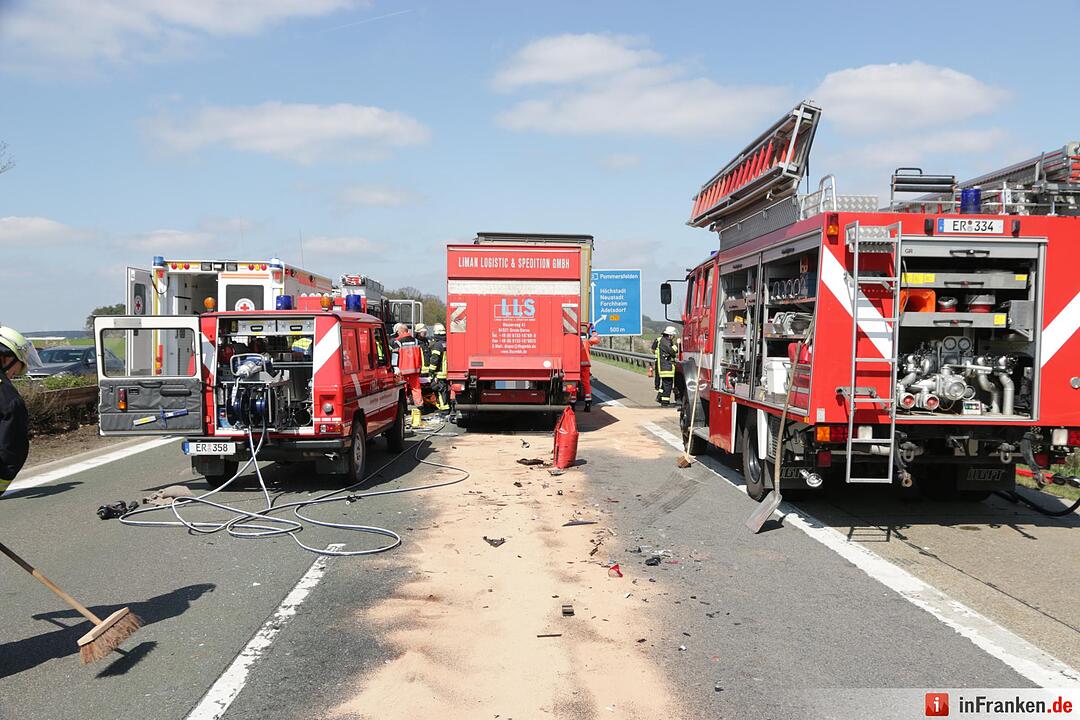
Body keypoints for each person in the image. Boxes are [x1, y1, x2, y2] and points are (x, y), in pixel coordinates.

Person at [0, 327, 38, 493]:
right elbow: (12, 445)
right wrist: (5, 474)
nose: (13, 376)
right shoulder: (8, 396)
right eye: (17, 369)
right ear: (7, 358)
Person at [390, 323, 424, 407]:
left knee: (402, 389)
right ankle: (419, 405)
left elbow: (395, 355)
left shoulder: (397, 342)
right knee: (416, 388)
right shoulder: (416, 341)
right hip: (415, 369)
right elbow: (420, 355)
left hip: (402, 369)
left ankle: (404, 407)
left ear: (399, 331)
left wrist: (395, 367)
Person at [428, 323, 450, 416]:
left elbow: (434, 360)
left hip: (440, 372)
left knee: (440, 391)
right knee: (445, 390)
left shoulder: (437, 345)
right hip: (448, 371)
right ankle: (446, 406)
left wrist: (431, 371)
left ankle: (444, 409)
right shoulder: (448, 342)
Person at [579, 324, 601, 412]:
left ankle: (572, 403)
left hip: (573, 365)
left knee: (572, 383)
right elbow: (596, 339)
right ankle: (588, 401)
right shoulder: (587, 340)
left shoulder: (572, 339)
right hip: (585, 364)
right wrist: (593, 330)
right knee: (586, 383)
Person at [656, 326, 678, 406]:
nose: (673, 337)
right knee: (667, 385)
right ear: (670, 335)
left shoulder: (664, 341)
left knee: (665, 384)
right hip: (666, 368)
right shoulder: (665, 342)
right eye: (673, 336)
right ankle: (665, 402)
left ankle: (660, 397)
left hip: (666, 367)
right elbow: (671, 351)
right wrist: (677, 345)